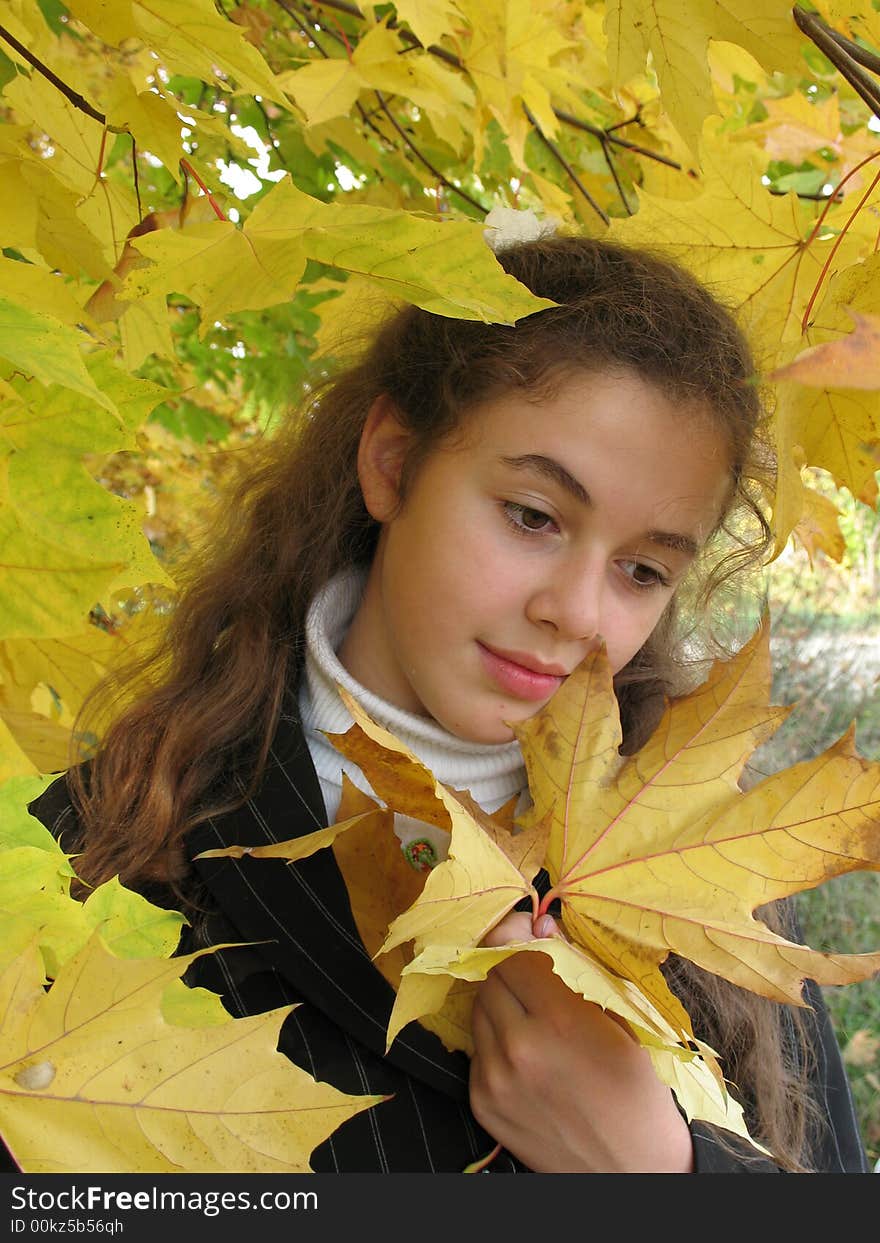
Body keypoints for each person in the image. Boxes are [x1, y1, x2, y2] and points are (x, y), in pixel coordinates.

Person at [14, 236, 870, 1174]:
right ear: (391, 462)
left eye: (642, 569)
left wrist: (667, 1178)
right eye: (533, 516)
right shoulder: (100, 850)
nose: (579, 615)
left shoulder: (699, 874)